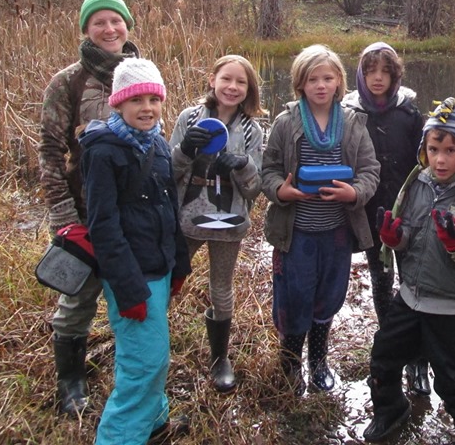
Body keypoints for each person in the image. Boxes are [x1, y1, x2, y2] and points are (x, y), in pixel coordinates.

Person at [363, 97, 455, 445]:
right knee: (383, 356)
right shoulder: (417, 184)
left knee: (453, 375)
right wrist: (396, 238)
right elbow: (409, 234)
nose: (440, 159)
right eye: (434, 149)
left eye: (450, 151)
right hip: (410, 297)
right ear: (424, 149)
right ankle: (390, 409)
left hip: (452, 306)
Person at [38, 0, 139, 416]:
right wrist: (64, 216)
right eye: (99, 22)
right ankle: (70, 383)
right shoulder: (67, 82)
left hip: (131, 211)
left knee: (130, 295)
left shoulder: (140, 73)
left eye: (116, 20)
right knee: (77, 299)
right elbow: (49, 151)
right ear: (86, 29)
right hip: (83, 211)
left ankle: (131, 377)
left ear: (127, 25)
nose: (109, 29)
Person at [80, 58, 191, 445]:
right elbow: (103, 227)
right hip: (132, 276)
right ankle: (119, 437)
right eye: (136, 100)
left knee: (154, 352)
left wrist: (179, 264)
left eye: (154, 100)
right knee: (144, 362)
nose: (147, 108)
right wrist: (128, 290)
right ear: (118, 104)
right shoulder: (103, 152)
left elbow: (169, 208)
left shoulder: (157, 143)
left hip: (159, 267)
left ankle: (155, 423)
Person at [261, 44, 380, 394]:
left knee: (328, 295)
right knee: (294, 297)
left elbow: (371, 170)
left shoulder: (353, 123)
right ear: (300, 83)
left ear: (339, 81)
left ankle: (318, 361)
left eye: (328, 78)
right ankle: (290, 363)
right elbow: (268, 170)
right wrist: (281, 191)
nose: (321, 85)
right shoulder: (285, 123)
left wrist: (354, 193)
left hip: (337, 232)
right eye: (312, 79)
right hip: (296, 232)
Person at [168, 55, 266, 393]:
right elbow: (168, 173)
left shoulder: (252, 130)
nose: (232, 87)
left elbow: (254, 188)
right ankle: (153, 345)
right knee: (168, 279)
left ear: (249, 89)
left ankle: (220, 358)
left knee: (221, 287)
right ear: (212, 80)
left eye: (241, 82)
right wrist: (185, 150)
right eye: (226, 79)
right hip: (188, 218)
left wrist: (243, 165)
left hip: (230, 221)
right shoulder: (189, 118)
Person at [341, 42, 428, 394]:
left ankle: (418, 360)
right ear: (360, 75)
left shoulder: (409, 113)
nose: (378, 78)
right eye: (370, 71)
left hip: (407, 209)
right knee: (381, 279)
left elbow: (425, 161)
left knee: (412, 279)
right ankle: (391, 346)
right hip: (369, 210)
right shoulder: (350, 113)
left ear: (395, 76)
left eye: (385, 72)